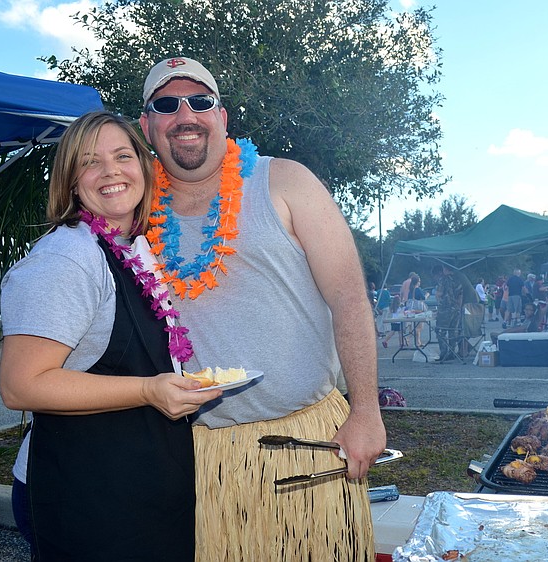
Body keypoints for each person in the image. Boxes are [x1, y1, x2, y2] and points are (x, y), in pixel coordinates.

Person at [138, 57, 386, 560]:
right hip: (200, 460)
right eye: (166, 105)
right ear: (148, 126)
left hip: (305, 447)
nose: (184, 114)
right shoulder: (135, 208)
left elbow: (349, 299)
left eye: (200, 101)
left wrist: (366, 412)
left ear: (222, 117)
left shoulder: (286, 181)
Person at [0, 111, 222, 560]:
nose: (111, 171)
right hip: (84, 497)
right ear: (71, 180)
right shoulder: (67, 257)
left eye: (123, 156)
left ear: (143, 166)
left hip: (135, 488)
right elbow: (21, 384)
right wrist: (148, 389)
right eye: (90, 161)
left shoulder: (131, 249)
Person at [432, 263, 462, 362]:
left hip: (445, 309)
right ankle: (452, 352)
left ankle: (443, 352)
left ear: (442, 271)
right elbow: (460, 296)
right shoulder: (457, 279)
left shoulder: (443, 279)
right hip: (456, 309)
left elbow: (439, 294)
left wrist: (438, 300)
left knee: (441, 331)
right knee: (453, 331)